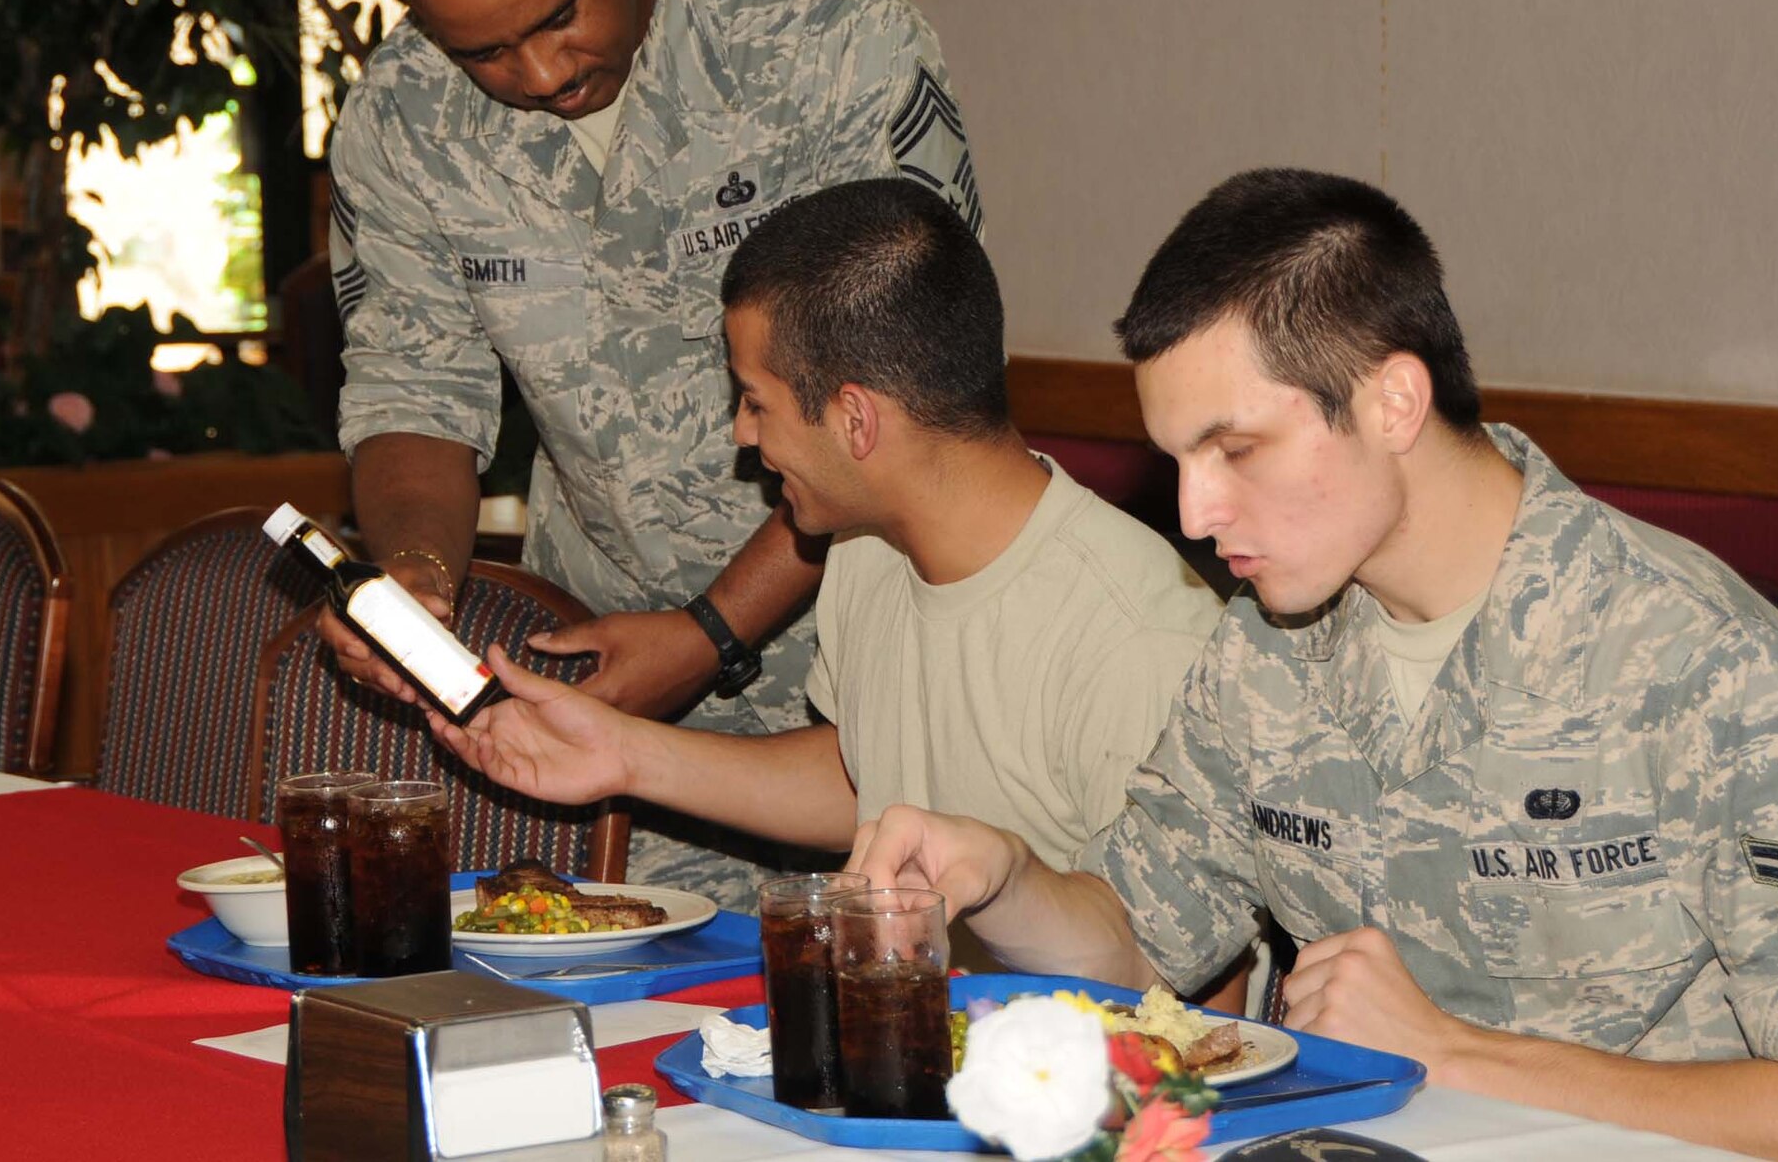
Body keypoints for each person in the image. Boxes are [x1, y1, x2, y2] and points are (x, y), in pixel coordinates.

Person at [845, 169, 1778, 1162]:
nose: (1194, 510)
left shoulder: (1701, 666)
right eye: (1177, 460)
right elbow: (1134, 946)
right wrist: (1004, 872)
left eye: (1234, 450)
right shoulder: (1269, 653)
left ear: (1390, 400)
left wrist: (1448, 1050)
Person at [321, 0, 983, 904]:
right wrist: (414, 578)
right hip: (602, 680)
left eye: (557, 16)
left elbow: (902, 395)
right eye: (483, 51)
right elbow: (411, 390)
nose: (539, 76)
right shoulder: (402, 119)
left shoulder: (823, 31)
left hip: (870, 669)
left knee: (866, 1036)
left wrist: (711, 633)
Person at [426, 180, 1223, 934]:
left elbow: (1196, 991)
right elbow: (867, 778)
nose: (743, 431)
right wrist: (624, 753)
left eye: (755, 400)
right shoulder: (864, 547)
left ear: (854, 420)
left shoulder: (1139, 640)